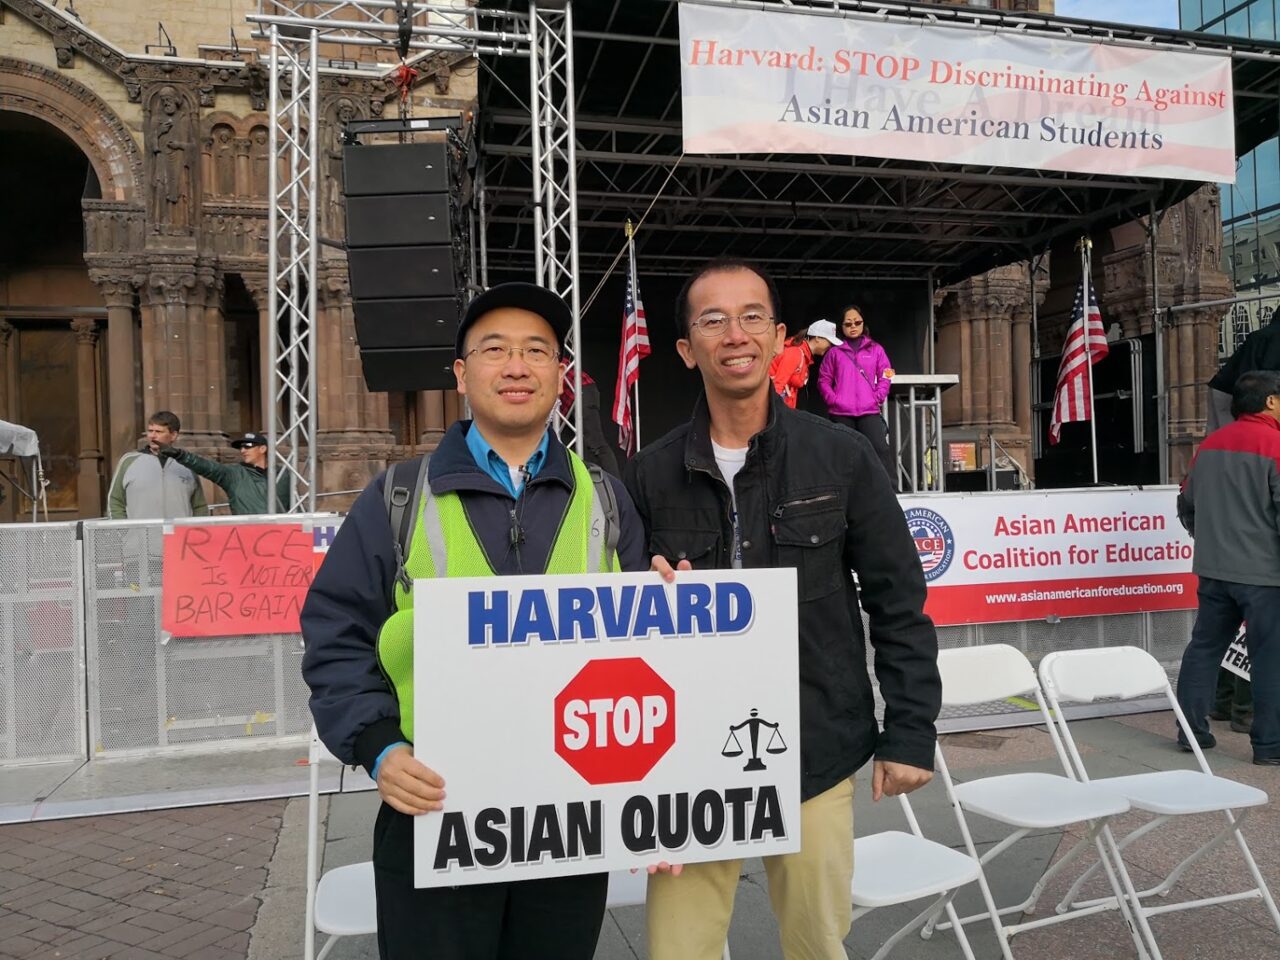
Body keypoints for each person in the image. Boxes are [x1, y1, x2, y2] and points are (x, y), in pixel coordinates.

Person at [300, 282, 647, 960]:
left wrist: (676, 608)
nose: (516, 367)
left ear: (560, 375)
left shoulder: (608, 499)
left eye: (536, 351)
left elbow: (645, 649)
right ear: (462, 373)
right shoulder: (397, 497)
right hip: (433, 811)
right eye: (495, 350)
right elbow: (336, 631)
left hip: (568, 823)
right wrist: (377, 744)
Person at [624, 258, 941, 960]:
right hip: (690, 764)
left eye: (751, 317)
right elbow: (621, 634)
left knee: (815, 945)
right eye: (712, 320)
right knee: (678, 950)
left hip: (815, 749)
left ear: (779, 338)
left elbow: (898, 599)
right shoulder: (647, 474)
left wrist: (910, 731)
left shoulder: (844, 457)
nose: (734, 334)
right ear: (685, 349)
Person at [1176, 369, 1280, 766]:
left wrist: (1209, 544)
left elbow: (1187, 504)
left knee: (1204, 647)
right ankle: (1269, 746)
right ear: (1270, 401)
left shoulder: (1210, 445)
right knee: (1270, 657)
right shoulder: (1275, 445)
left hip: (1214, 569)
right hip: (1264, 576)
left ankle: (1191, 733)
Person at [818, 306, 897, 480]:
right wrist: (833, 400)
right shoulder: (834, 352)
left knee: (880, 448)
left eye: (857, 322)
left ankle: (892, 490)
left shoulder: (876, 349)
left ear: (863, 323)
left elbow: (887, 373)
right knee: (842, 453)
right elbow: (823, 379)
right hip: (841, 411)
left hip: (869, 409)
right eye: (848, 324)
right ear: (842, 327)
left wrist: (878, 396)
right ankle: (844, 493)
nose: (853, 326)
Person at [106, 411, 208, 520]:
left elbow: (199, 506)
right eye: (150, 431)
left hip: (178, 535)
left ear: (173, 435)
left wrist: (196, 533)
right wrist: (123, 532)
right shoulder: (129, 461)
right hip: (140, 535)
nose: (152, 436)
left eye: (159, 432)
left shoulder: (186, 464)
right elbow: (115, 501)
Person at [159, 432, 290, 515]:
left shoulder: (283, 474)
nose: (243, 450)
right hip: (249, 537)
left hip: (283, 538)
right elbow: (208, 467)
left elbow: (294, 505)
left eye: (248, 446)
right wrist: (180, 455)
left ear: (262, 449)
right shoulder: (233, 474)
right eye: (241, 447)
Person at [1207, 313, 1280, 431]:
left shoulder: (1264, 335)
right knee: (1234, 438)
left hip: (1237, 391)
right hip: (1233, 392)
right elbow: (1249, 376)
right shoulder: (1268, 337)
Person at [557, 364, 621, 476]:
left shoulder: (550, 359)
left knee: (597, 444)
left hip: (582, 391)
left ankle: (615, 486)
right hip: (576, 397)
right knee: (566, 445)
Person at [768, 319, 842, 409]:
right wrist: (775, 412)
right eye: (829, 341)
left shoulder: (803, 356)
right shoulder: (795, 353)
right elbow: (778, 385)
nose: (830, 346)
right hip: (778, 410)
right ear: (818, 338)